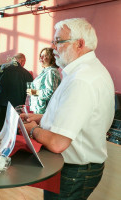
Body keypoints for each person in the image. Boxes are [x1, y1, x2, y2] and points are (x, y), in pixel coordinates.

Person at [22, 18, 115, 200]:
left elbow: (58, 143)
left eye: (59, 42)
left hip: (74, 170)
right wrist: (42, 118)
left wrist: (32, 130)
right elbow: (77, 117)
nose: (54, 48)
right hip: (76, 168)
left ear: (79, 44)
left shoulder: (82, 79)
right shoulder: (85, 71)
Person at [0, 53, 33, 132]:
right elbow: (31, 93)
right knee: (12, 130)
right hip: (16, 106)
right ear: (22, 61)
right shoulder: (27, 74)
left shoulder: (0, 67)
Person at [27, 48, 61, 114]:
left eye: (45, 55)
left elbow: (51, 93)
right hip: (38, 109)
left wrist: (34, 92)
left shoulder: (52, 72)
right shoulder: (45, 71)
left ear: (52, 58)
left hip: (44, 112)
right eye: (41, 55)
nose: (41, 58)